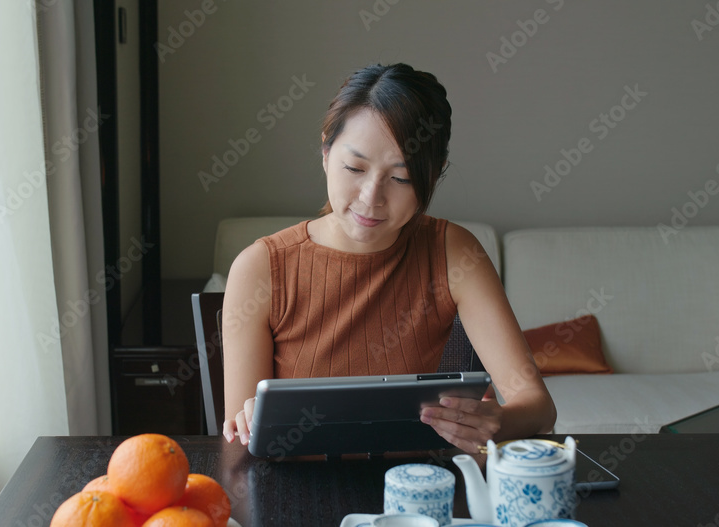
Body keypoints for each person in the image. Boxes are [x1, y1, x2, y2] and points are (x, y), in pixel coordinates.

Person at [221, 63, 556, 454]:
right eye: (354, 168)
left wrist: (497, 421)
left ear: (434, 175)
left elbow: (537, 405)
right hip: (299, 493)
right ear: (326, 150)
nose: (371, 198)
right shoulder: (260, 266)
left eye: (401, 178)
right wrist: (247, 422)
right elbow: (237, 440)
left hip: (417, 494)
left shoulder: (453, 252)